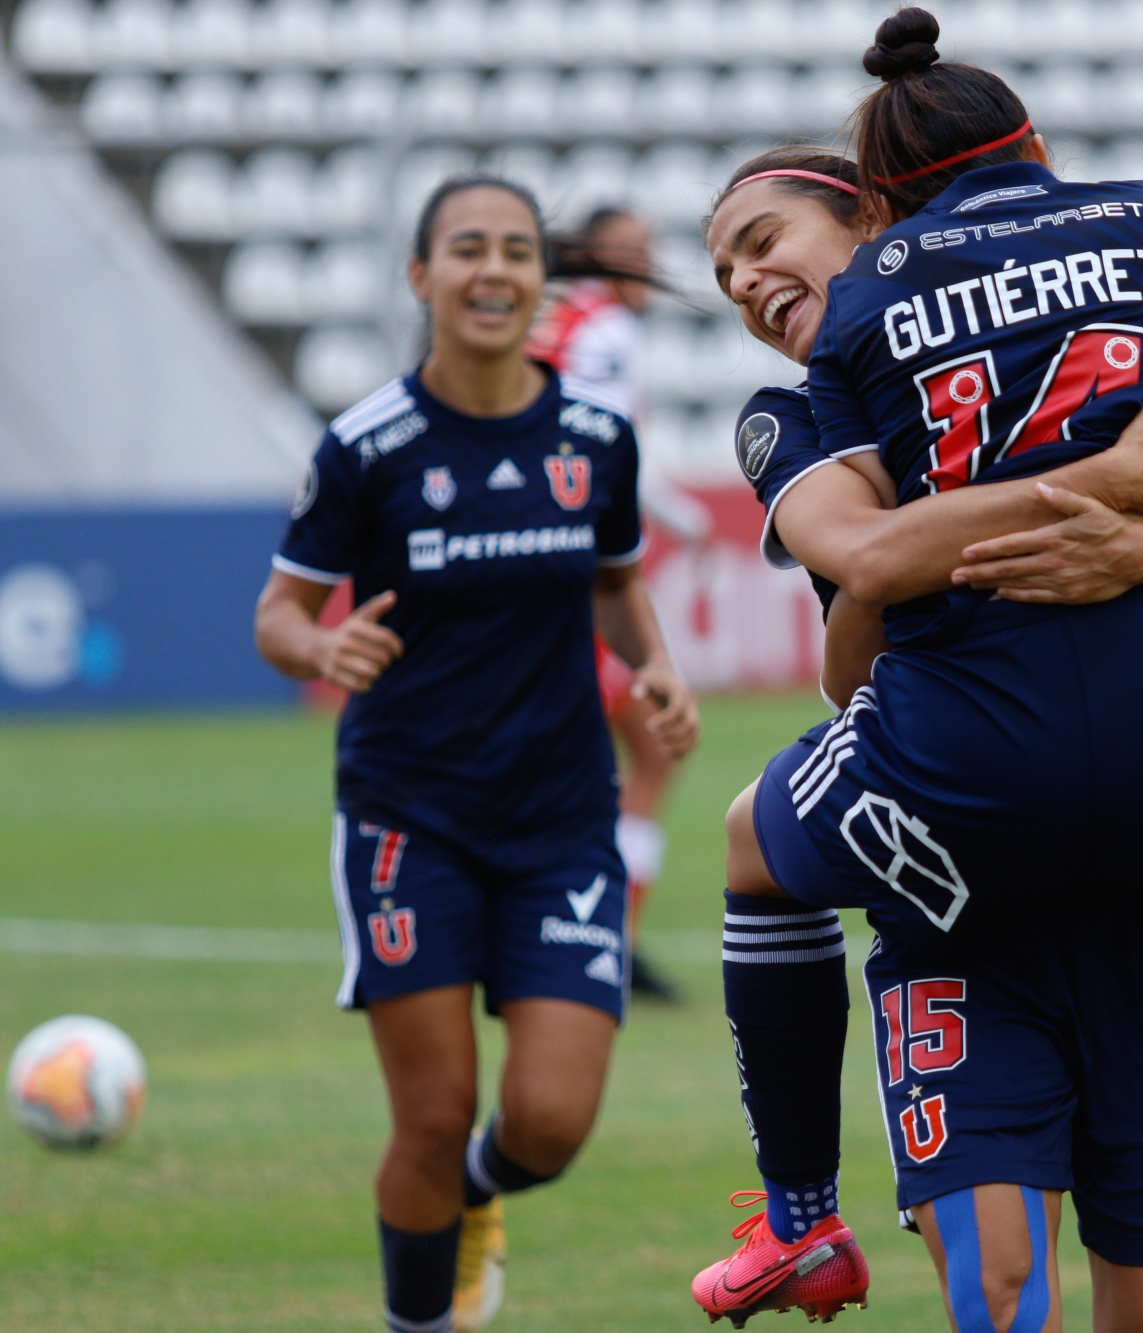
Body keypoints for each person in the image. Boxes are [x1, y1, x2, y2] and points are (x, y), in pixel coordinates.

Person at [694, 12, 1143, 1330]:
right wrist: (1104, 489)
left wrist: (1121, 560)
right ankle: (798, 1213)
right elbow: (852, 624)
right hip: (962, 883)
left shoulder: (995, 318)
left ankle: (794, 1214)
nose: (746, 285)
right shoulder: (792, 413)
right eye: (723, 280)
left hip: (1139, 892)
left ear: (868, 209)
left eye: (760, 244)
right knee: (1003, 1290)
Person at [253, 175, 699, 1333]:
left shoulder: (593, 439)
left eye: (514, 248)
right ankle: (422, 1319)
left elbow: (612, 585)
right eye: (466, 248)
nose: (493, 268)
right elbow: (277, 615)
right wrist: (322, 643)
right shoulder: (367, 446)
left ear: (537, 278)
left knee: (548, 1123)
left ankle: (475, 1202)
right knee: (434, 1112)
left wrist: (651, 664)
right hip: (412, 817)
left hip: (559, 822)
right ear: (424, 277)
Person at [529, 205, 706, 1001]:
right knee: (649, 744)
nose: (648, 268)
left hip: (547, 566)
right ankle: (602, 936)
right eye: (633, 252)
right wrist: (685, 517)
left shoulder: (568, 320)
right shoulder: (603, 329)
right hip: (572, 571)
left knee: (618, 750)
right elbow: (599, 448)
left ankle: (601, 934)